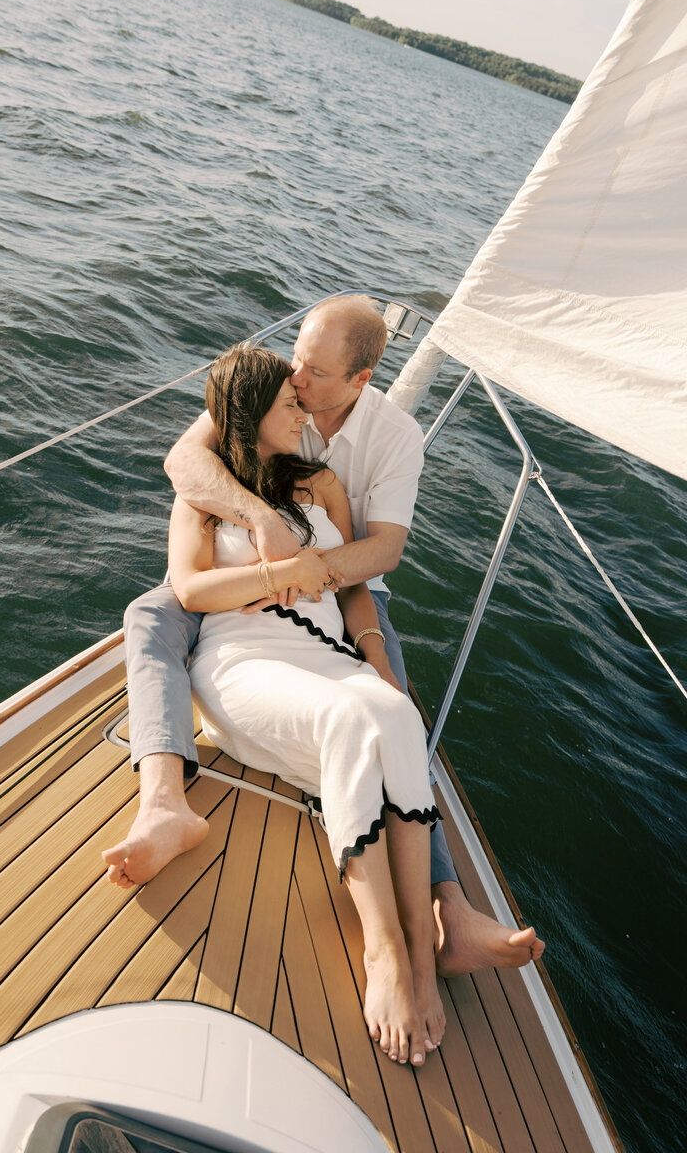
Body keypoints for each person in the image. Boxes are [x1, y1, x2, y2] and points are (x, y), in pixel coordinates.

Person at [103, 295, 544, 978]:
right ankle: (163, 802)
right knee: (151, 614)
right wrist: (262, 529)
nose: (298, 381)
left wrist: (312, 578)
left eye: (312, 374)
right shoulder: (267, 387)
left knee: (396, 701)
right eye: (295, 367)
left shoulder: (386, 442)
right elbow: (185, 465)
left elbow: (383, 553)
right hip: (245, 598)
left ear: (360, 380)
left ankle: (446, 904)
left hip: (339, 583)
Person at [168, 342, 444, 1065]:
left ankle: (422, 950)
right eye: (290, 404)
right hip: (242, 661)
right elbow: (192, 592)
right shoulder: (202, 495)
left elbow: (355, 586)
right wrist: (290, 569)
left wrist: (377, 659)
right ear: (251, 412)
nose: (305, 412)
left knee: (397, 715)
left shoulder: (320, 484)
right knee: (353, 719)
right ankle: (382, 950)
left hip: (326, 653)